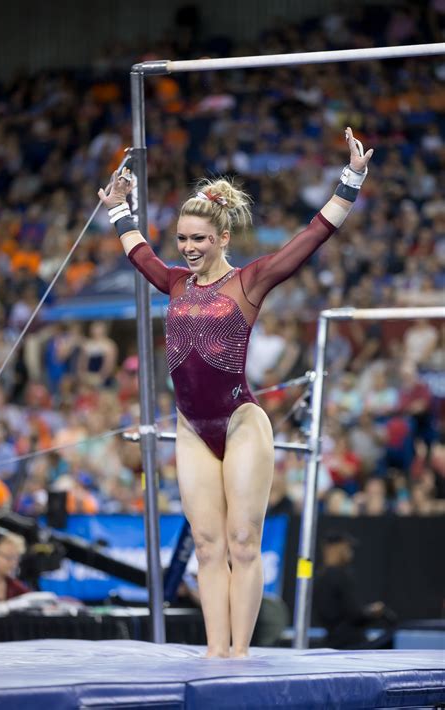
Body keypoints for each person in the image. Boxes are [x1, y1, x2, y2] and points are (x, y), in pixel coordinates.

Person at [99, 127, 373, 658]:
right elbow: (139, 252)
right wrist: (119, 209)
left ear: (223, 239)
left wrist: (351, 179)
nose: (188, 248)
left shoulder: (251, 281)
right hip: (191, 429)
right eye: (182, 239)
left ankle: (240, 655)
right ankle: (213, 652)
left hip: (241, 422)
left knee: (243, 542)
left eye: (199, 239)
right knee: (206, 544)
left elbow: (313, 235)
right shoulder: (175, 283)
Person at [313, 531, 396, 649]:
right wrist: (374, 611)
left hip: (334, 641)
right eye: (347, 548)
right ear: (338, 549)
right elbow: (355, 615)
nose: (350, 552)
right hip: (349, 644)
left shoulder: (322, 575)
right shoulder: (338, 575)